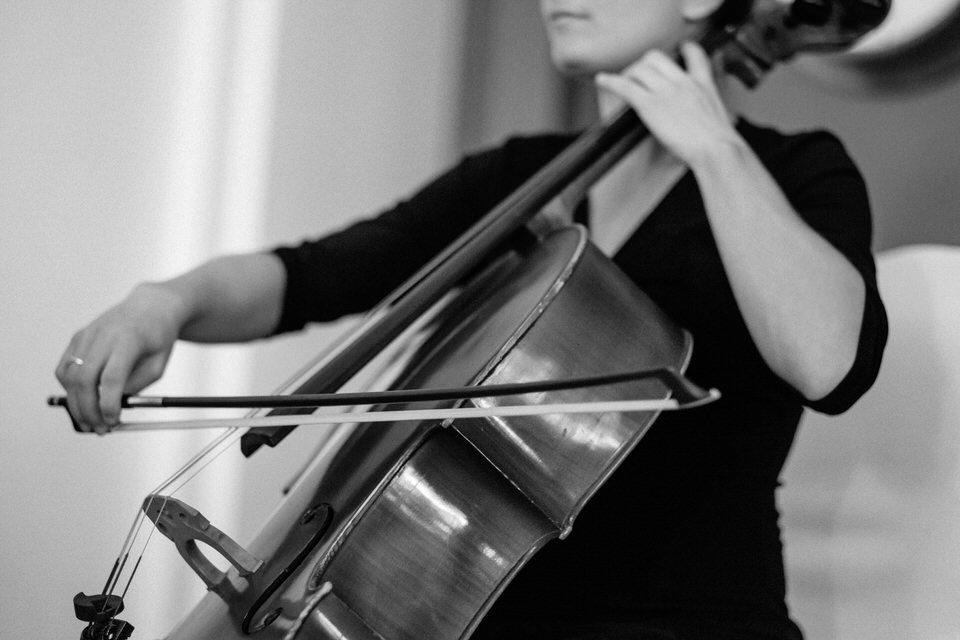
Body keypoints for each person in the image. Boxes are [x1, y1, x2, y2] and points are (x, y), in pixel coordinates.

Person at [56, 1, 887, 638]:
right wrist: (160, 302)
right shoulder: (520, 179)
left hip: (682, 616)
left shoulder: (794, 171)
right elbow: (309, 276)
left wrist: (713, 147)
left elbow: (828, 363)